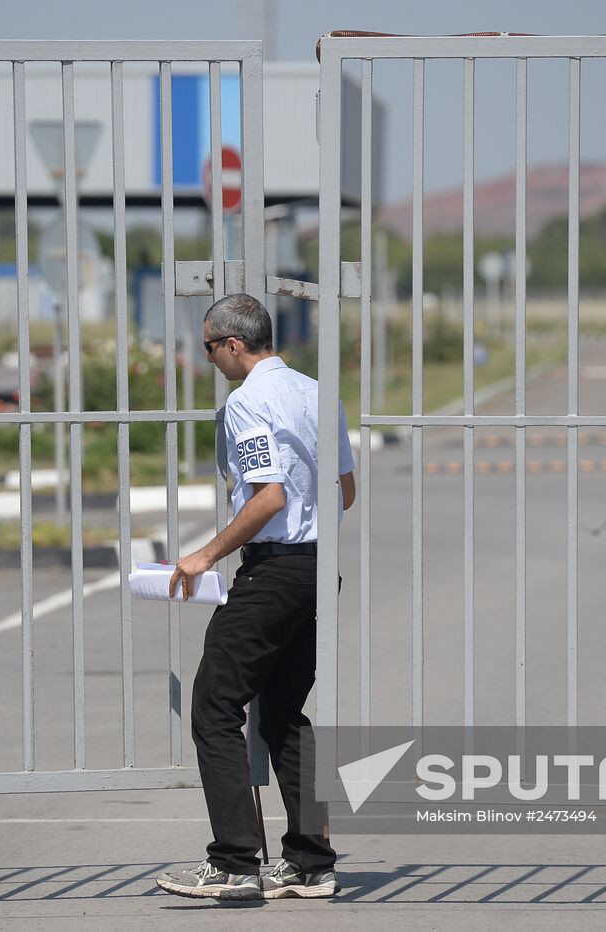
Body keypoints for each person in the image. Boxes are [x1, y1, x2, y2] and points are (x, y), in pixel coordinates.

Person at [155, 294, 355, 901]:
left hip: (271, 575)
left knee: (214, 706)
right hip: (320, 568)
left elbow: (267, 497)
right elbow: (345, 490)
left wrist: (203, 556)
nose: (210, 358)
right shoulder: (320, 392)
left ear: (233, 345)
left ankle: (236, 862)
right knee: (284, 713)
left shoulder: (247, 403)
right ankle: (310, 863)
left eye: (210, 347)